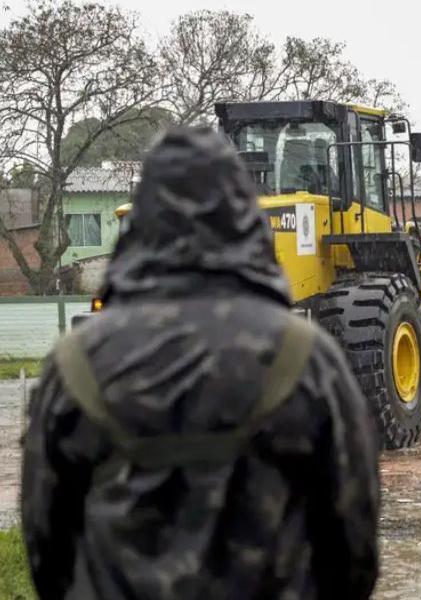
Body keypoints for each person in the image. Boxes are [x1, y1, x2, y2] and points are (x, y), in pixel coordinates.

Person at [21, 129, 380, 600]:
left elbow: (46, 550)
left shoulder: (74, 366)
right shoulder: (307, 359)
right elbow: (353, 548)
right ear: (244, 215)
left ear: (142, 222)